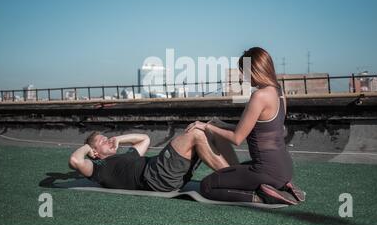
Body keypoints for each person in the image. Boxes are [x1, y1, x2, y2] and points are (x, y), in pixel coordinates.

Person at [186, 47, 305, 205]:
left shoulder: (259, 96)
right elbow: (258, 129)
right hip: (284, 169)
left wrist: (205, 126)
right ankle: (282, 187)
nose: (243, 76)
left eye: (244, 71)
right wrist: (221, 124)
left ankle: (261, 196)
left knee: (207, 186)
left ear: (255, 69)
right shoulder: (279, 93)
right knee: (237, 170)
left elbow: (237, 138)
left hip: (266, 170)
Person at [68, 124, 236, 192]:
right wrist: (88, 148)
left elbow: (144, 139)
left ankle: (240, 171)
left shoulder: (126, 156)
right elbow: (76, 161)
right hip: (156, 176)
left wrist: (119, 138)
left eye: (105, 137)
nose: (106, 140)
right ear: (95, 152)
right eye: (101, 142)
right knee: (196, 134)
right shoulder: (99, 168)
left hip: (162, 170)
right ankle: (237, 178)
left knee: (210, 131)